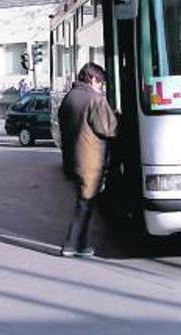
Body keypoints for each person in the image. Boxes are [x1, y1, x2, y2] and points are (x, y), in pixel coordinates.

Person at [58, 62, 117, 258]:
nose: (100, 86)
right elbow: (108, 128)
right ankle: (71, 244)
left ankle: (81, 245)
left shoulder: (70, 97)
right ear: (92, 79)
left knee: (85, 202)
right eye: (100, 82)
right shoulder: (95, 100)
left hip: (72, 158)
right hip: (90, 158)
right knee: (85, 203)